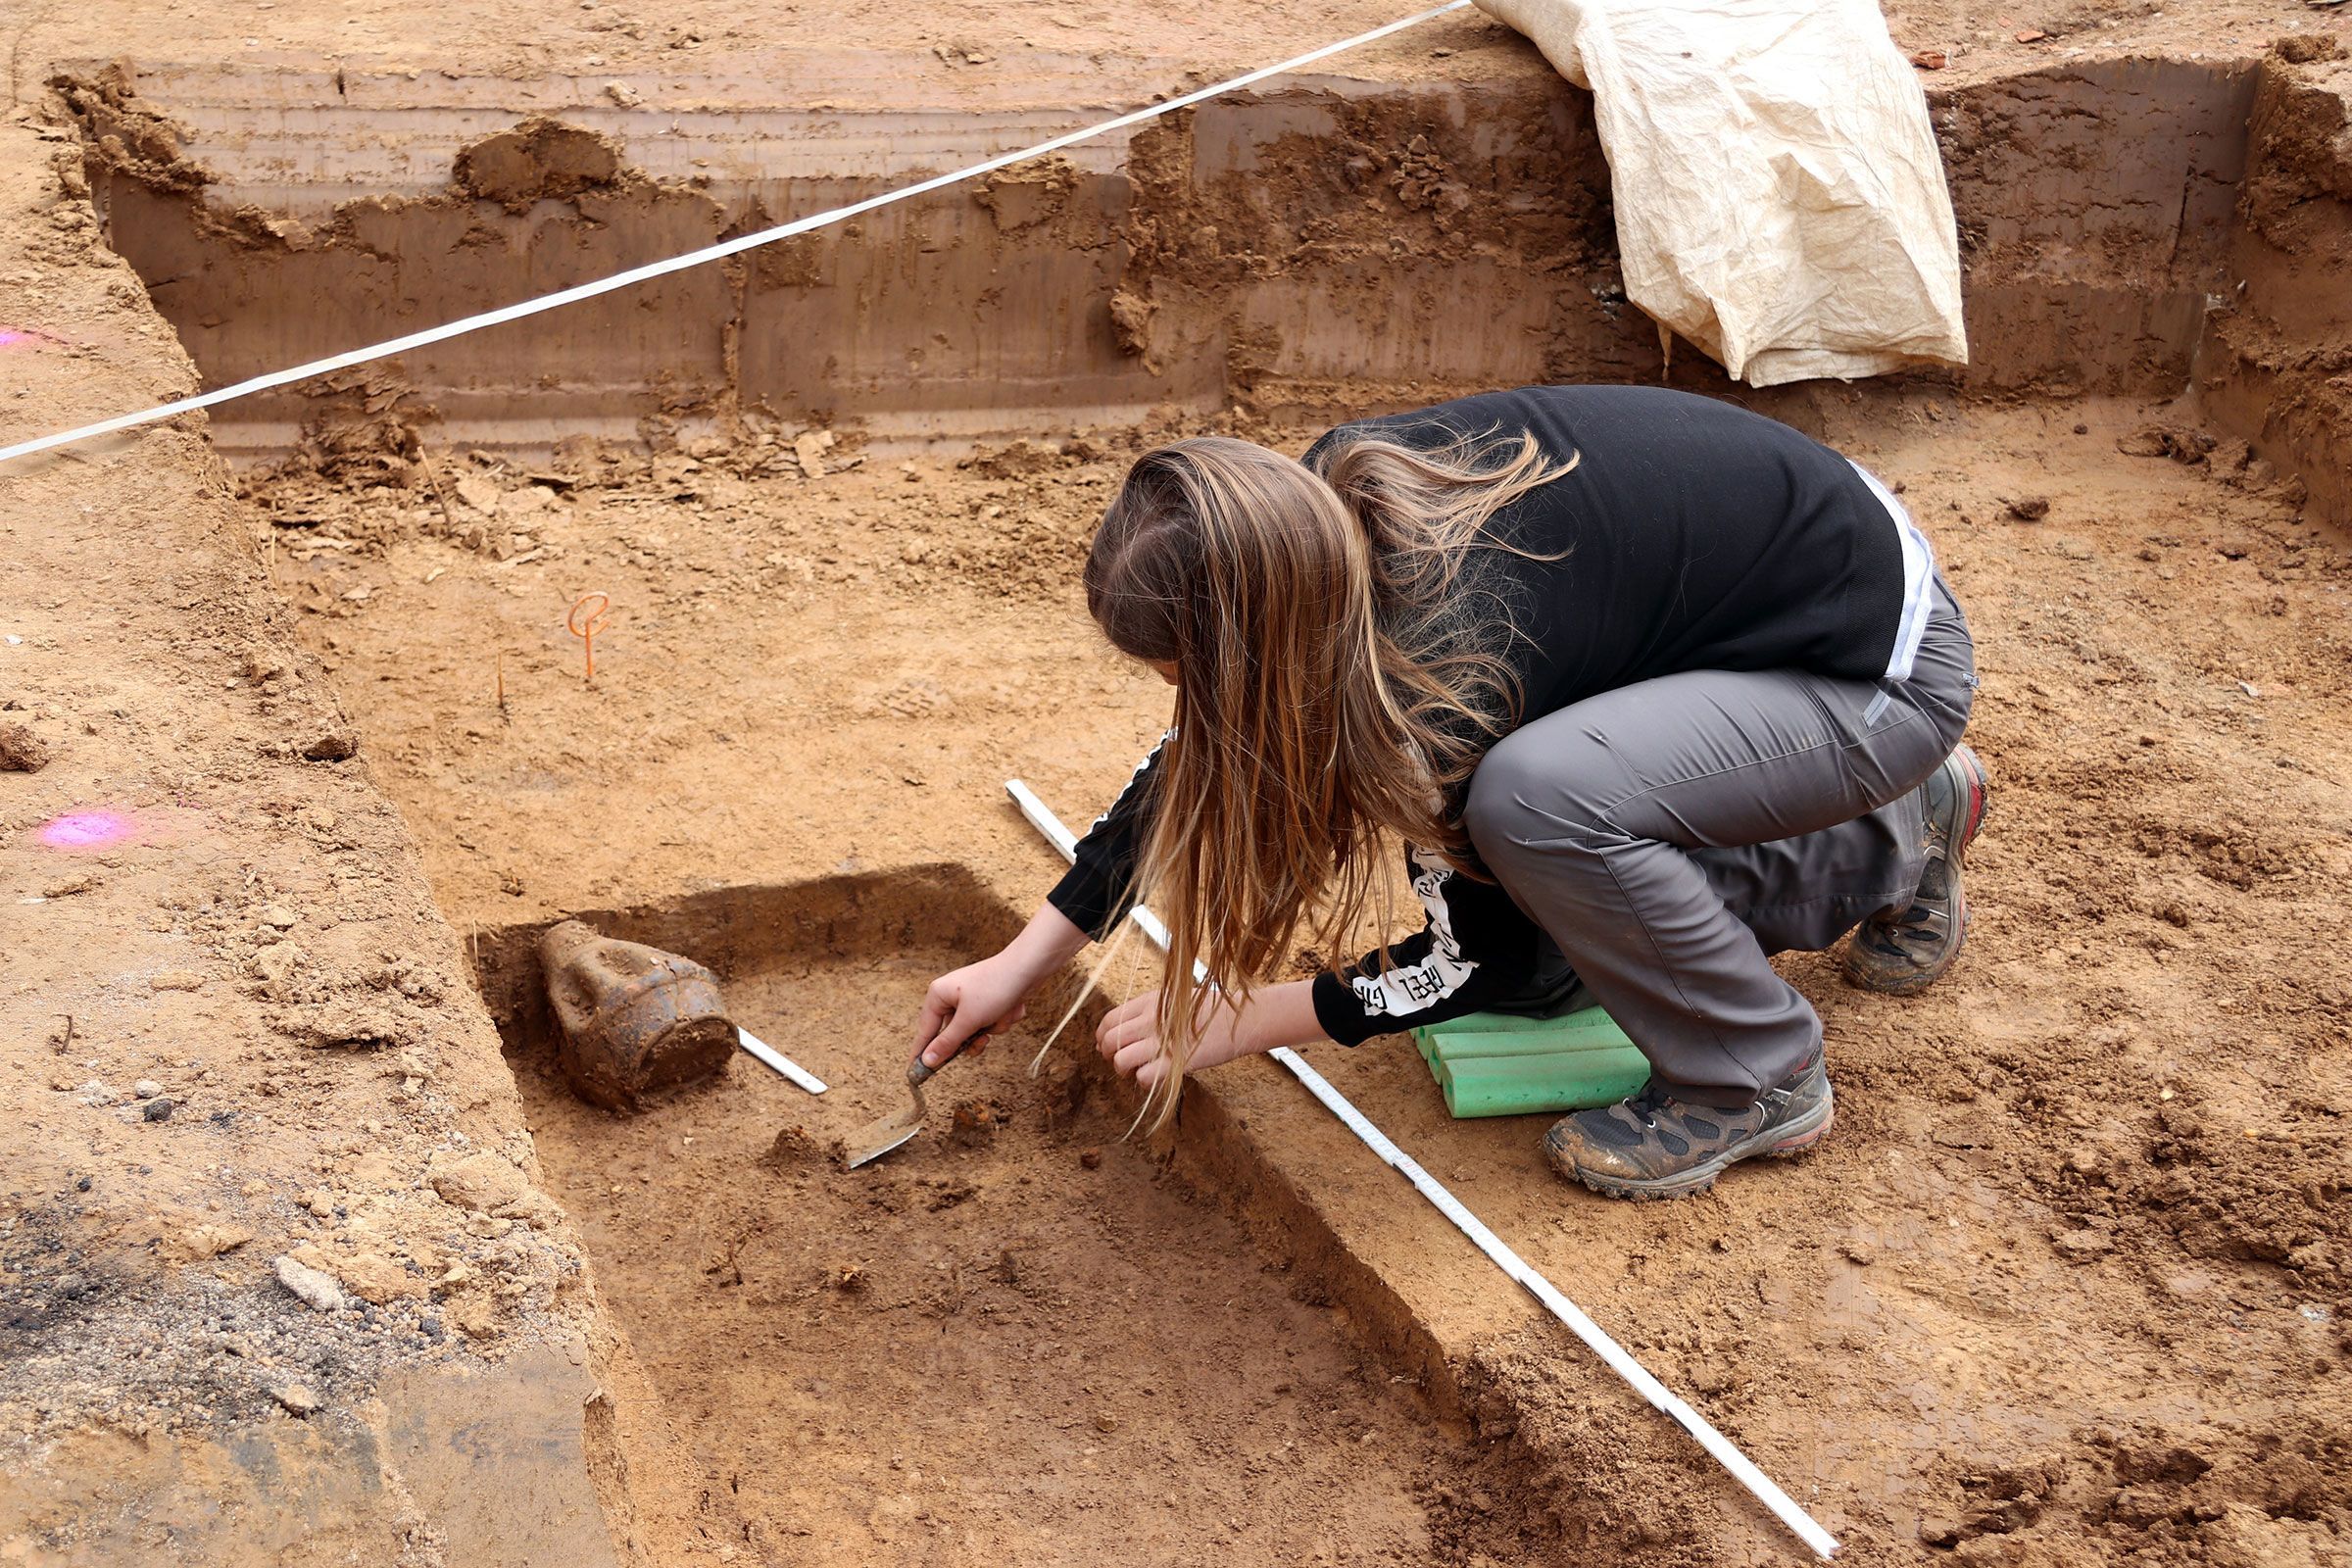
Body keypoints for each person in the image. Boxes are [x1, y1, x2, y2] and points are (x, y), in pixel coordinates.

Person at [910, 385, 1985, 1200]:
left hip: (1869, 673)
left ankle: (1755, 1073)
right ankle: (1906, 825)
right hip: (1776, 610)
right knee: (1561, 885)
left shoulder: (1449, 677)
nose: (1187, 706)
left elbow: (1479, 959)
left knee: (1537, 808)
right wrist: (1022, 960)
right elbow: (1205, 753)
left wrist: (1252, 1016)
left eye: (1187, 675)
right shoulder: (1306, 526)